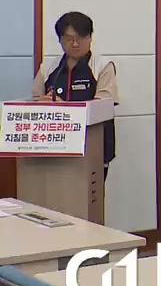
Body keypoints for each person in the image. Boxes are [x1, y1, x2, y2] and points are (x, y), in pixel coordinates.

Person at [32, 12, 118, 181]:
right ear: (60, 40)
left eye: (81, 38)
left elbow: (104, 107)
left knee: (88, 197)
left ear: (90, 38)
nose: (75, 44)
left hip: (93, 149)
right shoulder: (48, 67)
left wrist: (66, 109)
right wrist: (41, 104)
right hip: (56, 149)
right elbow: (33, 102)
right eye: (69, 39)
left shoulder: (102, 66)